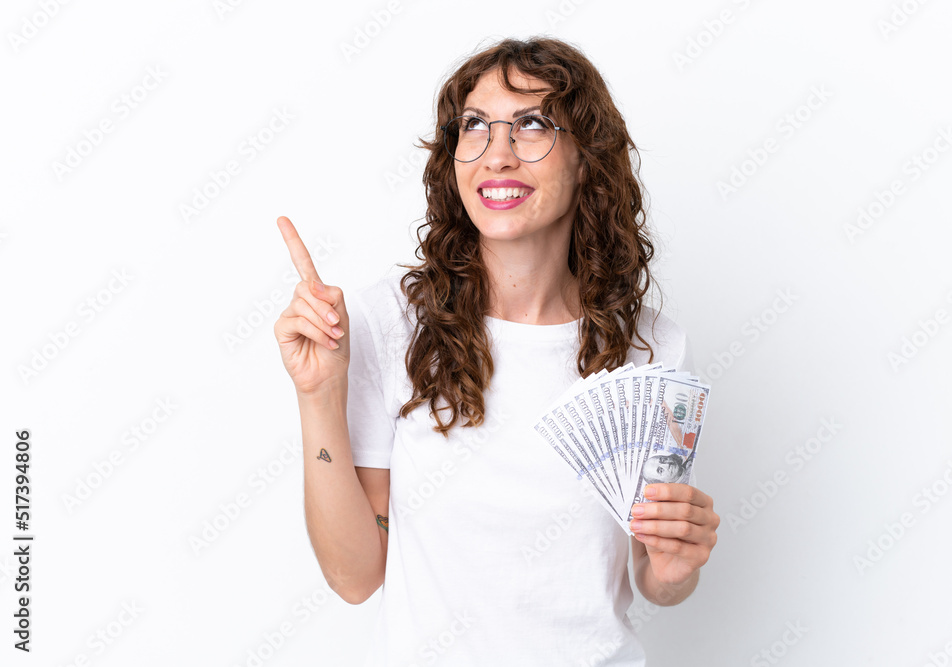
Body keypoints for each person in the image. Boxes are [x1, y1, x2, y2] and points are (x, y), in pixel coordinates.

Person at [273, 36, 720, 666]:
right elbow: (355, 577)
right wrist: (318, 394)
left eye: (533, 124)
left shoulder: (654, 351)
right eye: (475, 126)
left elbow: (653, 575)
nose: (497, 154)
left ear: (587, 158)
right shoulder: (392, 323)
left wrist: (675, 569)